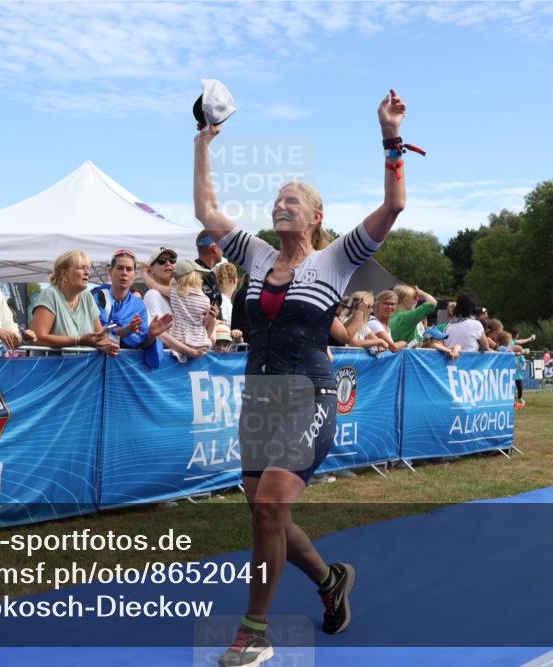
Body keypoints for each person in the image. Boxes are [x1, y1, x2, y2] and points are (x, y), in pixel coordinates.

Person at [195, 88, 408, 666]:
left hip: (308, 393)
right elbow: (207, 212)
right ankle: (330, 580)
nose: (280, 203)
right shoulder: (259, 257)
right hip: (258, 397)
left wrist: (390, 139)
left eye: (293, 199)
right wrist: (203, 143)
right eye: (277, 198)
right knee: (267, 511)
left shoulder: (334, 259)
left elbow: (392, 209)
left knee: (268, 507)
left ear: (316, 216)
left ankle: (255, 632)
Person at [90, 249, 173, 362]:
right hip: (96, 366)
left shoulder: (139, 305)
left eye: (129, 269)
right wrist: (127, 330)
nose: (124, 273)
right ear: (110, 272)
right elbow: (98, 334)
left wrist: (151, 335)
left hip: (127, 369)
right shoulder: (97, 296)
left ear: (134, 275)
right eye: (119, 268)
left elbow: (143, 344)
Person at [30, 249, 114, 354]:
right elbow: (38, 338)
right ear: (64, 273)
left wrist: (109, 346)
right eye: (81, 268)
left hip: (84, 367)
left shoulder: (87, 296)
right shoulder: (50, 295)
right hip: (52, 368)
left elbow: (100, 336)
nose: (87, 273)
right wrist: (78, 340)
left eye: (87, 268)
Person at [168, 259, 217, 361]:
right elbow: (205, 325)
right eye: (200, 277)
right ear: (192, 278)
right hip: (199, 342)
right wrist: (211, 319)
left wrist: (146, 276)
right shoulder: (205, 300)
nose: (202, 280)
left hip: (178, 339)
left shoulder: (173, 292)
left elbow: (154, 286)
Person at [195, 229, 224, 310]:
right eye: (222, 245)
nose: (223, 250)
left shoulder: (206, 273)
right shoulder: (196, 274)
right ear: (214, 248)